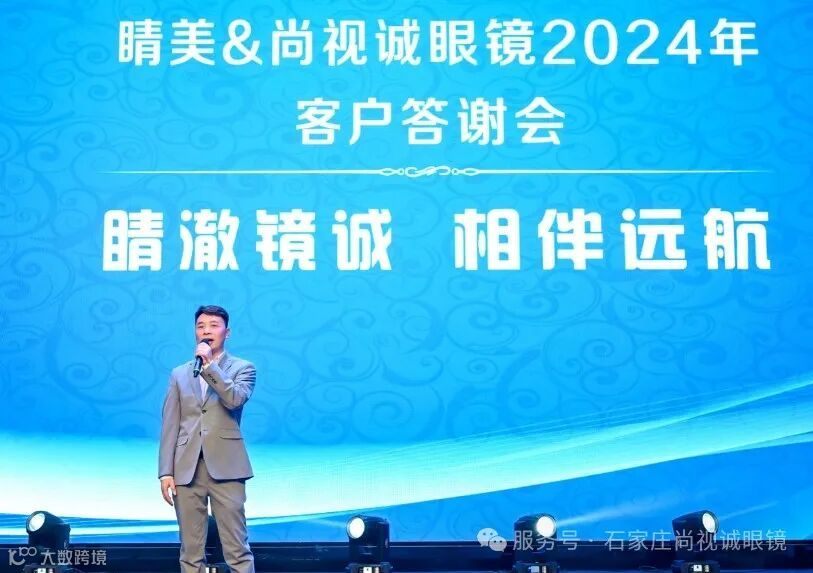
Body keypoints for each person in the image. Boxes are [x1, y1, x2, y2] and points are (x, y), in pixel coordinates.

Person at [158, 305, 256, 573]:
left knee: (237, 549)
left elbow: (234, 399)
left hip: (227, 467)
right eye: (201, 326)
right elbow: (170, 423)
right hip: (186, 469)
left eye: (213, 325)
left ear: (227, 332)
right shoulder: (180, 373)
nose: (206, 331)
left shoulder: (243, 368)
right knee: (190, 552)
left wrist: (210, 366)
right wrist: (165, 471)